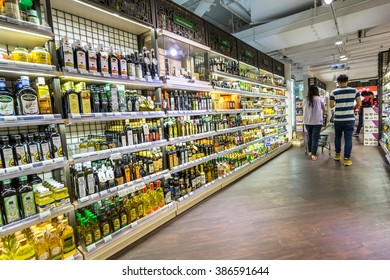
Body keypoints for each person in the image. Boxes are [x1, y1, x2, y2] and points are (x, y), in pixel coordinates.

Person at [330, 74, 361, 166]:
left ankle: (337, 155)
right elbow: (359, 103)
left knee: (337, 137)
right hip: (349, 118)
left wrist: (338, 105)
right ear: (347, 81)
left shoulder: (334, 92)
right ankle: (347, 159)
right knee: (348, 139)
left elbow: (331, 105)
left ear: (338, 82)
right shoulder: (354, 90)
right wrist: (353, 107)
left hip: (338, 119)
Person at [303, 85, 325, 161]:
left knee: (310, 137)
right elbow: (323, 109)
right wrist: (323, 116)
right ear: (317, 91)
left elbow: (304, 109)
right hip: (317, 122)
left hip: (307, 121)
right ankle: (313, 155)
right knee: (315, 138)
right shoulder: (319, 99)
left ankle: (310, 152)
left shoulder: (305, 99)